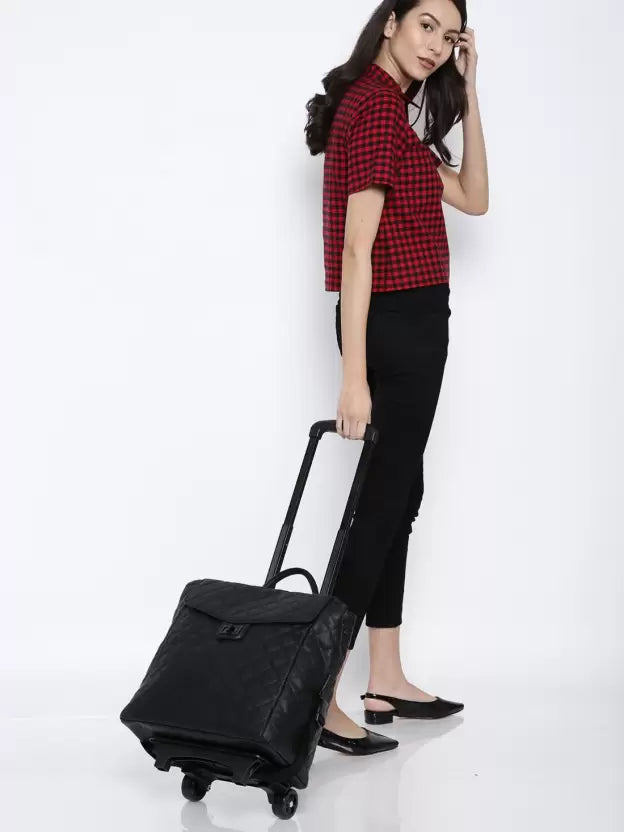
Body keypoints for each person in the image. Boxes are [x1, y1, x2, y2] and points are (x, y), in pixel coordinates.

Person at [303, 0, 488, 755]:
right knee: (381, 505)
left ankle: (383, 678)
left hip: (404, 324)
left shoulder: (393, 114)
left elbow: (474, 197)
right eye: (425, 26)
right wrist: (354, 376)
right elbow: (358, 251)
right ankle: (315, 694)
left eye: (449, 36)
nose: (435, 45)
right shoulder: (379, 110)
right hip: (397, 327)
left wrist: (469, 96)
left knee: (397, 495)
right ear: (391, 23)